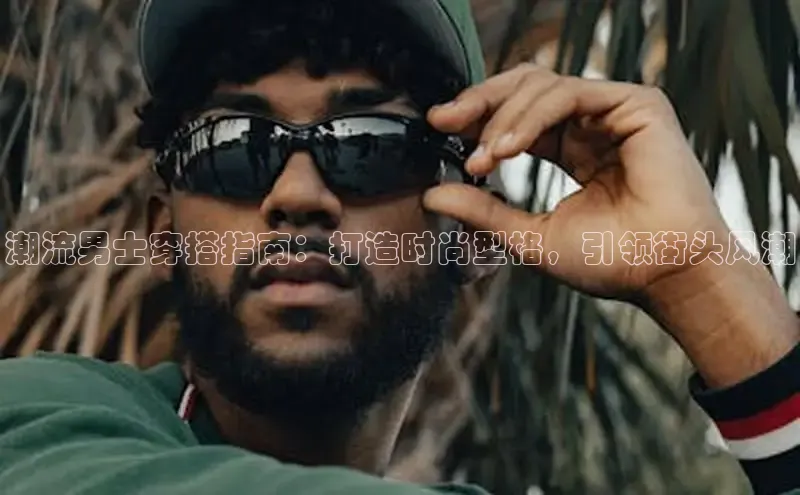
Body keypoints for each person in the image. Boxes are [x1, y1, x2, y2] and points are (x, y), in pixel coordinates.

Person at [1, 0, 799, 494]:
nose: (298, 194)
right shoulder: (35, 420)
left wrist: (705, 282)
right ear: (163, 235)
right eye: (234, 147)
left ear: (472, 232)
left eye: (369, 145)